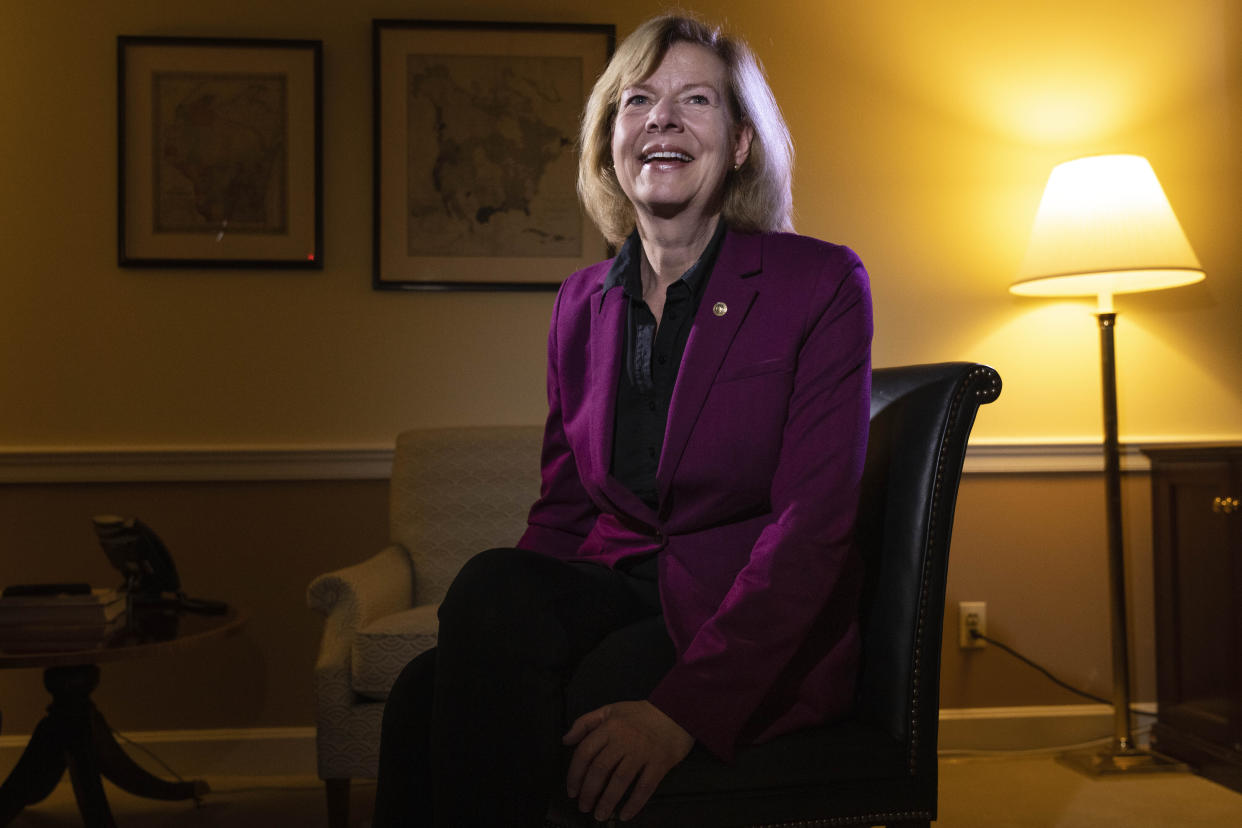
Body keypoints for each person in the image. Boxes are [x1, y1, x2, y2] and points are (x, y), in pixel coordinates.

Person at [373, 13, 872, 827]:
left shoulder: (817, 283)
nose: (662, 118)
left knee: (575, 709)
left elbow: (812, 527)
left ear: (740, 143)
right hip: (613, 587)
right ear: (612, 140)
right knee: (431, 677)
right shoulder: (580, 302)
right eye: (638, 100)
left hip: (733, 615)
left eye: (696, 100)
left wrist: (682, 712)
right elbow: (566, 511)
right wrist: (501, 634)